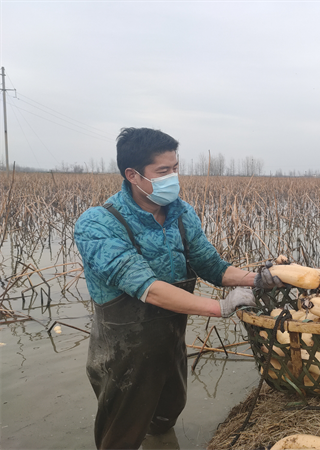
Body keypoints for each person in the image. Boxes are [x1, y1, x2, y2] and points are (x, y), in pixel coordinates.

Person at [75, 127, 280, 450]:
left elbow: (212, 265)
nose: (173, 177)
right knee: (121, 435)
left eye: (175, 168)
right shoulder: (98, 224)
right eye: (163, 171)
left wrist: (255, 279)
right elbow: (149, 288)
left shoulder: (181, 214)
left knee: (166, 415)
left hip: (170, 344)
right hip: (123, 354)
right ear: (133, 175)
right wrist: (221, 307)